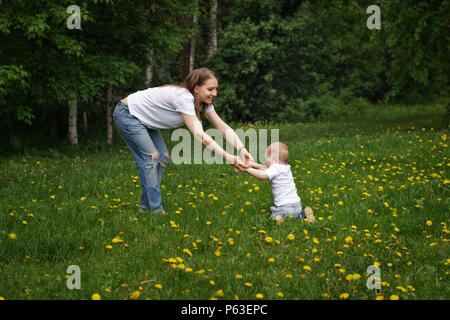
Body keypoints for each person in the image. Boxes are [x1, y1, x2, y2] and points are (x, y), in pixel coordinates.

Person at [113, 67, 253, 215]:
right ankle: (155, 210)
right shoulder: (184, 98)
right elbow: (200, 135)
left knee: (162, 157)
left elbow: (222, 127)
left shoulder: (202, 102)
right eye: (210, 89)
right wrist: (229, 157)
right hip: (128, 115)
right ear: (197, 88)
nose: (215, 93)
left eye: (216, 89)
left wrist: (242, 150)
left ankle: (145, 207)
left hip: (144, 121)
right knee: (151, 158)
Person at [244, 141, 315, 223]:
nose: (267, 164)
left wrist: (247, 169)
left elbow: (263, 175)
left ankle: (279, 218)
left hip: (284, 207)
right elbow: (266, 168)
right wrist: (252, 165)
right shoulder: (286, 168)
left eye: (268, 161)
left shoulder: (276, 168)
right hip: (297, 205)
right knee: (295, 217)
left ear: (276, 160)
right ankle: (303, 214)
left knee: (274, 216)